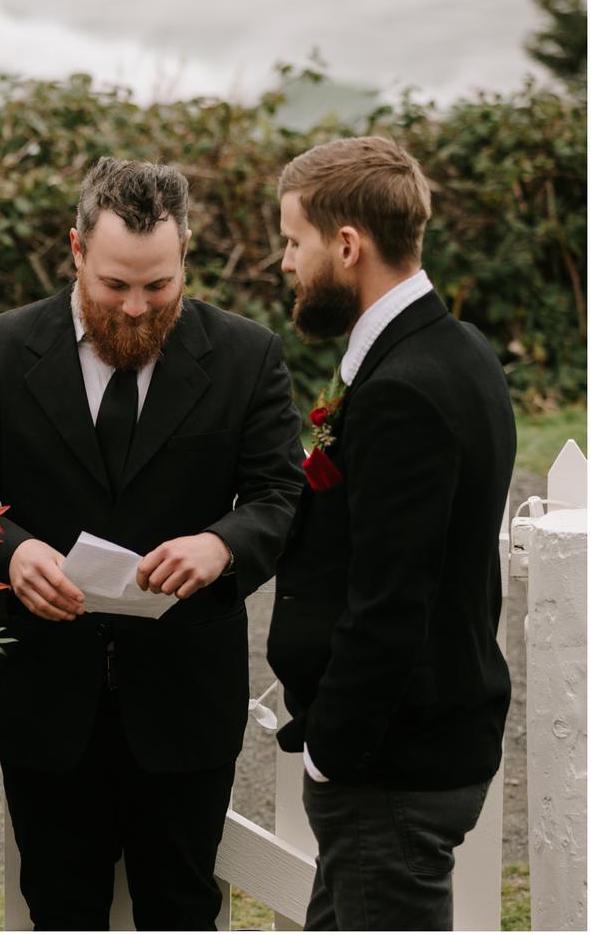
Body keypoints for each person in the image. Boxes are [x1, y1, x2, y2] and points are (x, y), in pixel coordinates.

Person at [0, 158, 305, 930]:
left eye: (158, 287)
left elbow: (280, 496)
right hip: (42, 699)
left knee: (184, 911)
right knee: (60, 912)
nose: (134, 309)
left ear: (185, 255)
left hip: (184, 701)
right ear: (75, 252)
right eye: (114, 286)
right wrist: (13, 552)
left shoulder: (246, 356)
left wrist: (221, 546)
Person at [268, 136, 515, 930]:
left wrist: (330, 754)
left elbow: (392, 603)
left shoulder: (404, 390)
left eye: (292, 242)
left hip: (390, 773)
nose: (284, 263)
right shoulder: (456, 351)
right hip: (398, 762)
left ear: (348, 245)